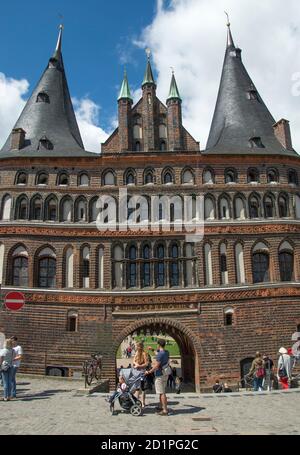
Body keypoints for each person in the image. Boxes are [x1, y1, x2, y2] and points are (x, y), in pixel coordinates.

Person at [145, 339, 169, 416]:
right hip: (166, 373)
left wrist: (149, 372)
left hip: (160, 374)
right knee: (162, 391)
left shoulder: (160, 354)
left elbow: (157, 366)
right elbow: (158, 353)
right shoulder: (166, 352)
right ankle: (161, 406)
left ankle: (165, 410)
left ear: (158, 345)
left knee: (162, 393)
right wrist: (152, 349)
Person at [132, 342, 148, 408]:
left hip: (142, 373)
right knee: (137, 388)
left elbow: (146, 363)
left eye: (138, 346)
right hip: (136, 373)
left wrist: (140, 365)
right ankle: (136, 401)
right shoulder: (136, 353)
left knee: (143, 388)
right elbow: (133, 361)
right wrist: (135, 364)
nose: (137, 347)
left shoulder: (144, 354)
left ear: (140, 347)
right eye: (137, 346)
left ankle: (143, 402)